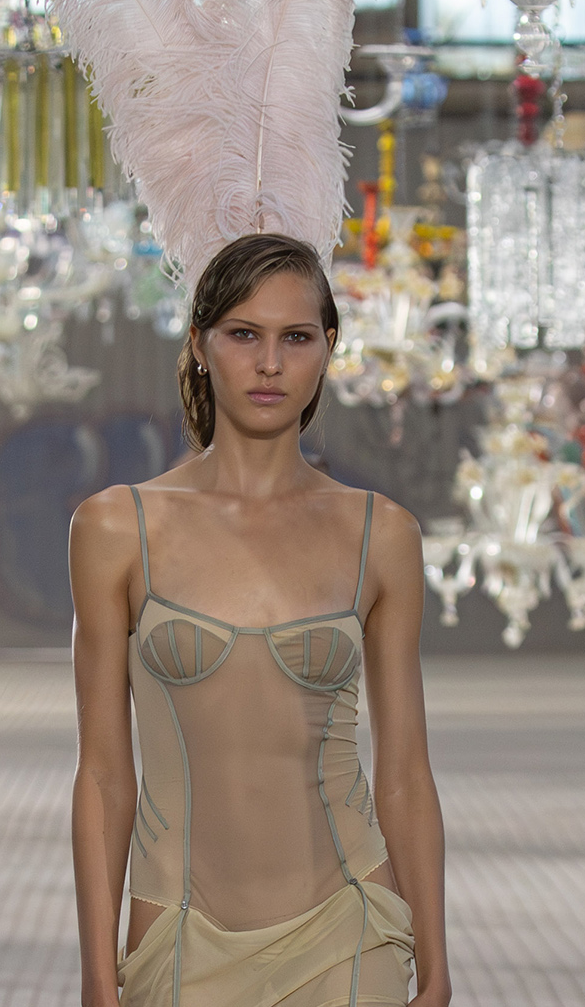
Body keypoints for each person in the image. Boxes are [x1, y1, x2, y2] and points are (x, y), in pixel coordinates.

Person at [68, 234, 451, 1007]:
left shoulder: (381, 534)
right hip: (180, 934)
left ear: (328, 347)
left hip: (351, 929)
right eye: (244, 334)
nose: (270, 363)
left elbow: (405, 770)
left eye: (296, 337)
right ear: (200, 344)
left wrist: (437, 964)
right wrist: (96, 975)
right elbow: (104, 775)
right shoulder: (116, 528)